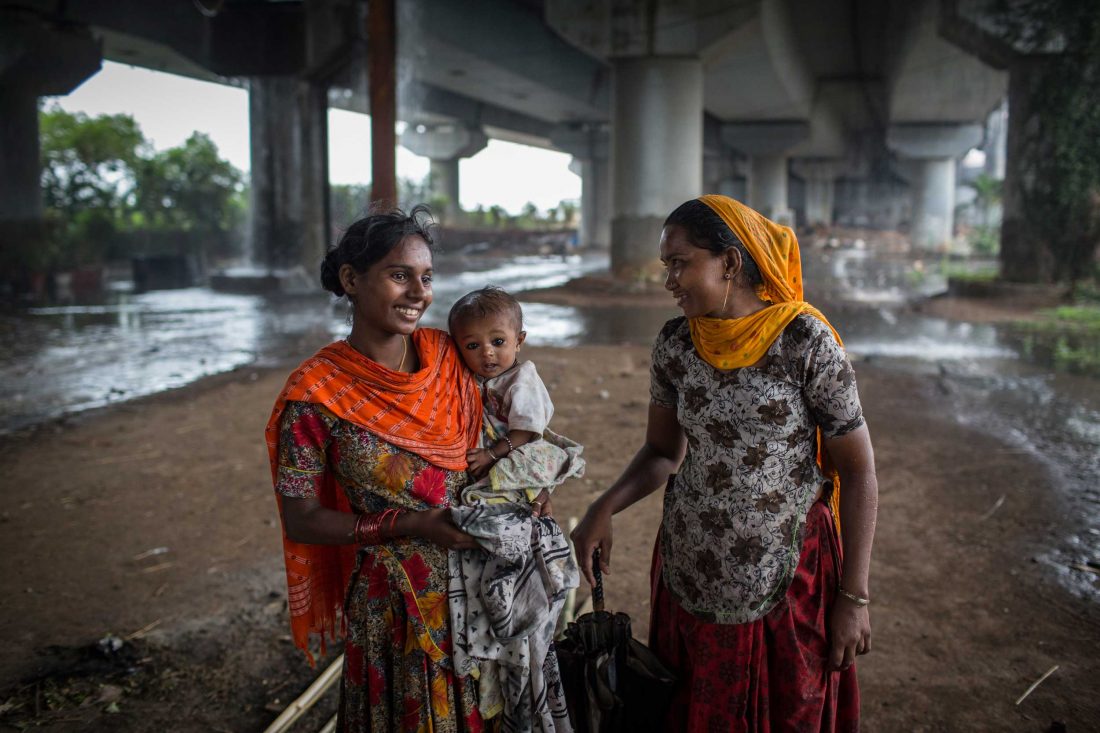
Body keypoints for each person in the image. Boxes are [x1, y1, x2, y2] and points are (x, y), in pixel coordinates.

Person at [571, 195, 878, 732]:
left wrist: (853, 597)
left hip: (787, 578)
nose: (668, 278)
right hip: (689, 572)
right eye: (666, 264)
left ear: (730, 263)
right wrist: (604, 507)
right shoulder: (675, 345)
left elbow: (857, 471)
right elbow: (663, 453)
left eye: (680, 262)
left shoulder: (805, 340)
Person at [265, 205, 488, 733]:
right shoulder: (316, 395)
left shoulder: (451, 358)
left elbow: (502, 435)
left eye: (426, 277)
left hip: (483, 590)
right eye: (398, 275)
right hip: (396, 609)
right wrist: (409, 524)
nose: (419, 293)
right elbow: (300, 517)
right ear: (351, 279)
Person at [444, 286, 583, 732]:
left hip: (519, 454)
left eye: (498, 342)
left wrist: (494, 452)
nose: (487, 353)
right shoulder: (480, 382)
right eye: (472, 345)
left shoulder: (522, 380)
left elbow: (529, 430)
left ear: (519, 340)